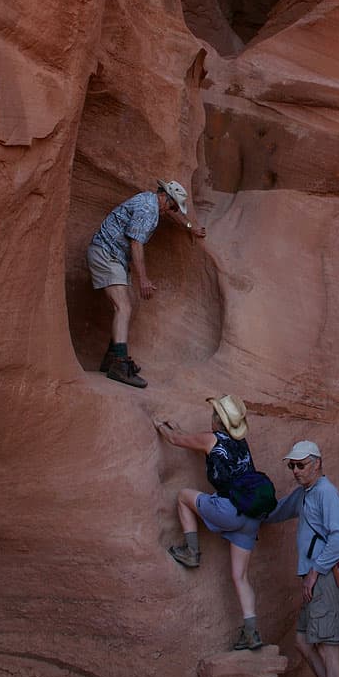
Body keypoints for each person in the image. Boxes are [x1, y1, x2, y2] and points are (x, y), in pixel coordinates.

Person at [154, 394, 264, 651]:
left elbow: (176, 440)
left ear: (218, 419)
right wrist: (178, 428)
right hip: (250, 518)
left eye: (214, 414)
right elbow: (187, 436)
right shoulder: (242, 442)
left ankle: (191, 551)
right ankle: (252, 633)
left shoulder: (211, 438)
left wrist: (160, 425)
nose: (211, 417)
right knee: (241, 577)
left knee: (183, 497)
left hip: (227, 509)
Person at [266, 440, 339, 677]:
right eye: (291, 465)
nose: (294, 471)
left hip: (325, 579)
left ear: (317, 463)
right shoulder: (305, 494)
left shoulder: (325, 492)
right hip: (315, 580)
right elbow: (276, 512)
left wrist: (316, 571)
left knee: (329, 649)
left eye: (300, 465)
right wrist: (244, 510)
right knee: (304, 642)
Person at [86, 179, 205, 388]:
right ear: (165, 198)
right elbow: (136, 243)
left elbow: (174, 215)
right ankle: (119, 365)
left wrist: (190, 227)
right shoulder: (147, 210)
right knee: (122, 307)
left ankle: (112, 357)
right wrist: (143, 279)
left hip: (113, 256)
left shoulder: (153, 202)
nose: (173, 210)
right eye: (173, 205)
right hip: (106, 253)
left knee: (128, 304)